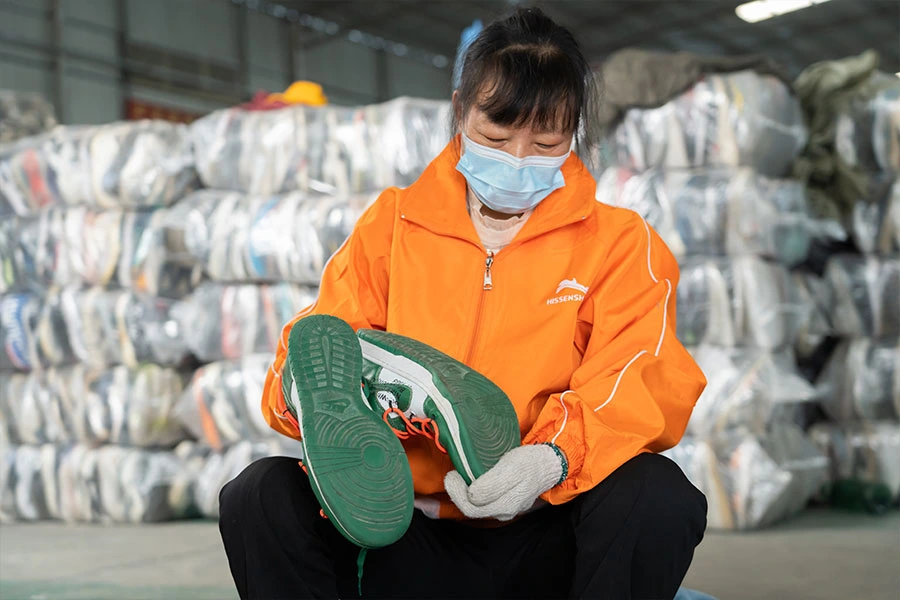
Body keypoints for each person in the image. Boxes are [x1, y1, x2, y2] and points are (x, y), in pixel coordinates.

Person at [219, 7, 708, 599]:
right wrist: (313, 395)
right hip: (404, 535)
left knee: (657, 494)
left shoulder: (621, 244)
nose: (518, 159)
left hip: (546, 534)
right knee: (259, 493)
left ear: (574, 131)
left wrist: (553, 459)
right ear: (459, 110)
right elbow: (326, 334)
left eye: (545, 141)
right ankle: (407, 389)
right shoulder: (392, 225)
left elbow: (640, 376)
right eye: (496, 138)